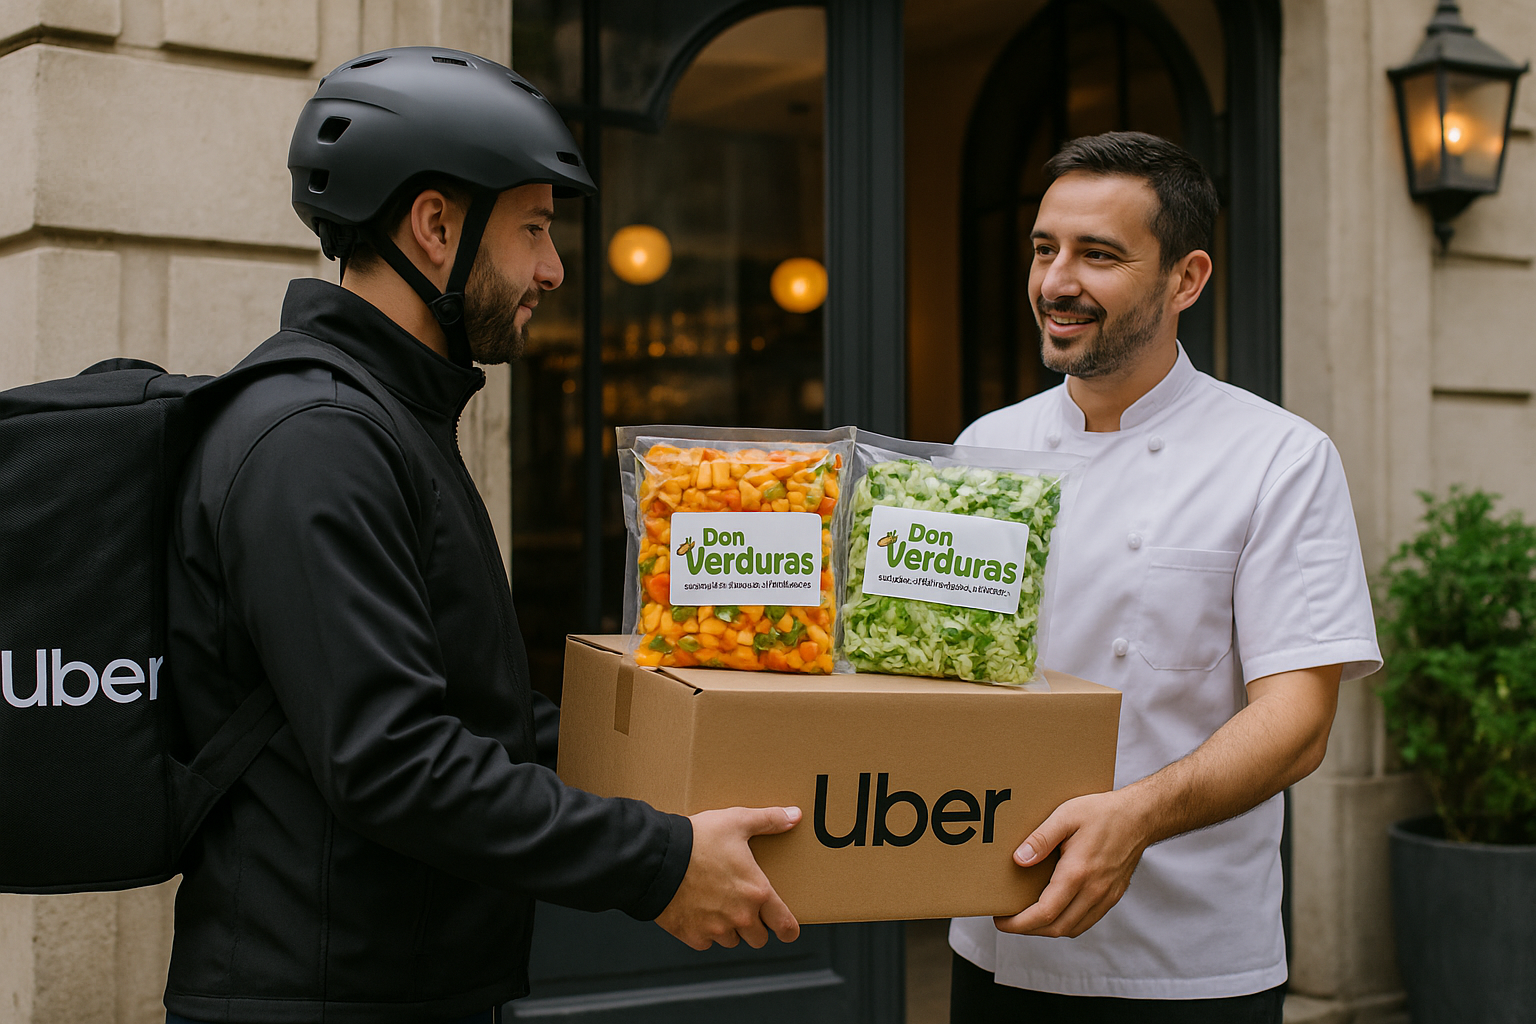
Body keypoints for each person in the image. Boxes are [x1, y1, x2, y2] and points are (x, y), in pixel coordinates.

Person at [163, 47, 799, 1024]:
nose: (553, 267)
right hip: (327, 999)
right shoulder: (317, 439)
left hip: (407, 985)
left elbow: (478, 715)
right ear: (434, 226)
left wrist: (696, 753)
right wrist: (661, 862)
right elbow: (394, 759)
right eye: (535, 227)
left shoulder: (389, 418)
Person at [949, 131, 1382, 1023]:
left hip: (1189, 964)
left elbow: (1298, 724)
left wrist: (1133, 817)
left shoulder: (1279, 457)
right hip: (992, 936)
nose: (1056, 282)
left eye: (1097, 255)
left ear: (1186, 279)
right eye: (1044, 249)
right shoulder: (982, 450)